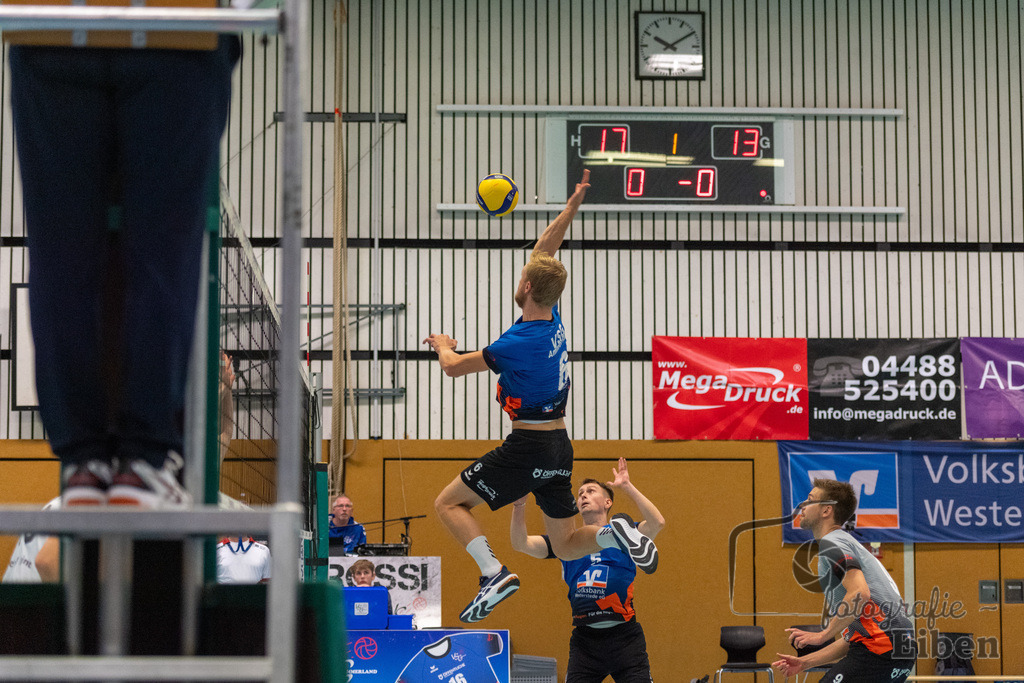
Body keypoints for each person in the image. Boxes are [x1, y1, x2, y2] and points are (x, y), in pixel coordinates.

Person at [8, 31, 240, 509]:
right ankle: (143, 463)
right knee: (164, 256)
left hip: (54, 30)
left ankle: (82, 464)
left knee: (60, 252)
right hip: (176, 37)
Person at [424, 170, 658, 624]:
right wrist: (571, 207)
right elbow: (545, 251)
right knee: (568, 545)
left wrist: (442, 343)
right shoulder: (553, 318)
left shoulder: (519, 343)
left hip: (529, 445)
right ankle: (616, 534)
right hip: (559, 447)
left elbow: (453, 369)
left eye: (523, 276)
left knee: (447, 504)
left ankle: (492, 572)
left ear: (527, 287)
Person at [510, 459, 664, 683]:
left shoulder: (627, 534)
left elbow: (657, 522)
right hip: (586, 642)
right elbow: (520, 543)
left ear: (607, 502)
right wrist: (519, 505)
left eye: (591, 491)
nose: (583, 496)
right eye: (580, 493)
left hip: (625, 638)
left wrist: (628, 487)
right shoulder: (564, 544)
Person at [772, 479, 916, 682]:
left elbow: (860, 593)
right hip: (899, 648)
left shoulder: (833, 543)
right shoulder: (848, 544)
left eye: (810, 500)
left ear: (826, 511)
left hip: (882, 645)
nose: (802, 505)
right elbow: (856, 637)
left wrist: (823, 635)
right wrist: (805, 662)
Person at [2, 497, 61, 583]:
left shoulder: (57, 505)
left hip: (12, 590)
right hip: (30, 592)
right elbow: (46, 562)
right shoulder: (76, 507)